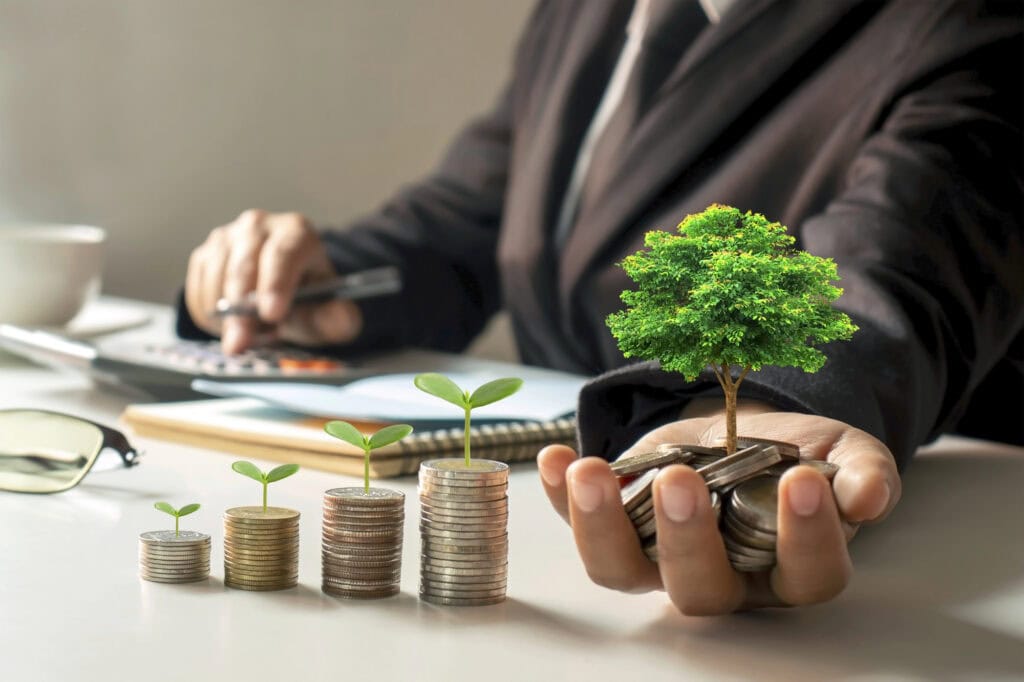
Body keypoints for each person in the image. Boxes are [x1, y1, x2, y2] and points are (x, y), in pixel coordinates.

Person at [179, 0, 1023, 614]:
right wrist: (311, 281)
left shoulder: (964, 22)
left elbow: (904, 251)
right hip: (560, 543)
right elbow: (474, 219)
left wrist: (774, 399)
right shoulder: (582, 12)